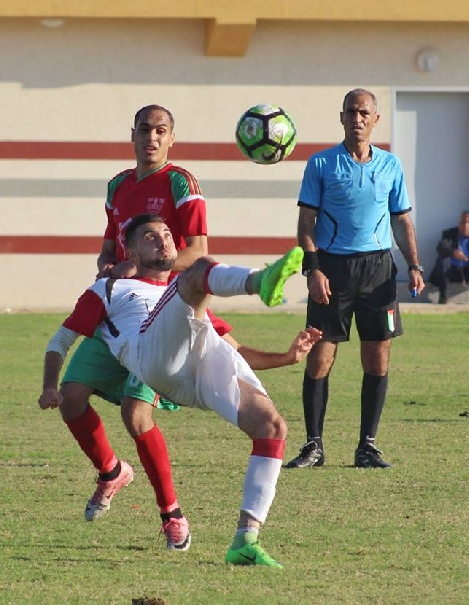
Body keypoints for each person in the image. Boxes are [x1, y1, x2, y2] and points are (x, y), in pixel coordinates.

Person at [40, 213, 314, 567]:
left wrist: (287, 357)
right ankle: (260, 280)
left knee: (272, 426)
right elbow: (61, 339)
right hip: (153, 357)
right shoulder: (109, 288)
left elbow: (238, 350)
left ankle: (245, 541)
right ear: (132, 253)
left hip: (200, 365)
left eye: (167, 234)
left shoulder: (187, 299)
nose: (163, 240)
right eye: (150, 237)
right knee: (199, 272)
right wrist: (50, 385)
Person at [56, 105, 237, 551]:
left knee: (136, 415)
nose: (152, 138)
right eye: (145, 130)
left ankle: (171, 514)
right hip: (119, 309)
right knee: (70, 398)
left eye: (161, 131)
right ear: (132, 134)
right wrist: (109, 268)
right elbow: (107, 247)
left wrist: (146, 264)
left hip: (164, 311)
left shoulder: (181, 183)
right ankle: (111, 472)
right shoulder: (117, 185)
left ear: (171, 138)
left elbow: (198, 253)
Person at [286, 88, 424, 471]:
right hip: (333, 270)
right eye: (351, 112)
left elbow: (401, 220)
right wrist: (313, 269)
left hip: (379, 270)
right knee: (320, 358)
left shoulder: (391, 165)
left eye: (365, 112)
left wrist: (414, 265)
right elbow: (306, 222)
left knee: (376, 360)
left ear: (375, 119)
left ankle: (368, 446)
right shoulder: (321, 164)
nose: (358, 118)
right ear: (342, 117)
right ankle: (313, 445)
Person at [428, 210, 469, 304]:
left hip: (467, 271)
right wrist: (454, 252)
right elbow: (441, 246)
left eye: (468, 223)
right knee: (442, 260)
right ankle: (443, 296)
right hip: (452, 271)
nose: (465, 226)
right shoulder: (450, 233)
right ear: (459, 223)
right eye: (463, 222)